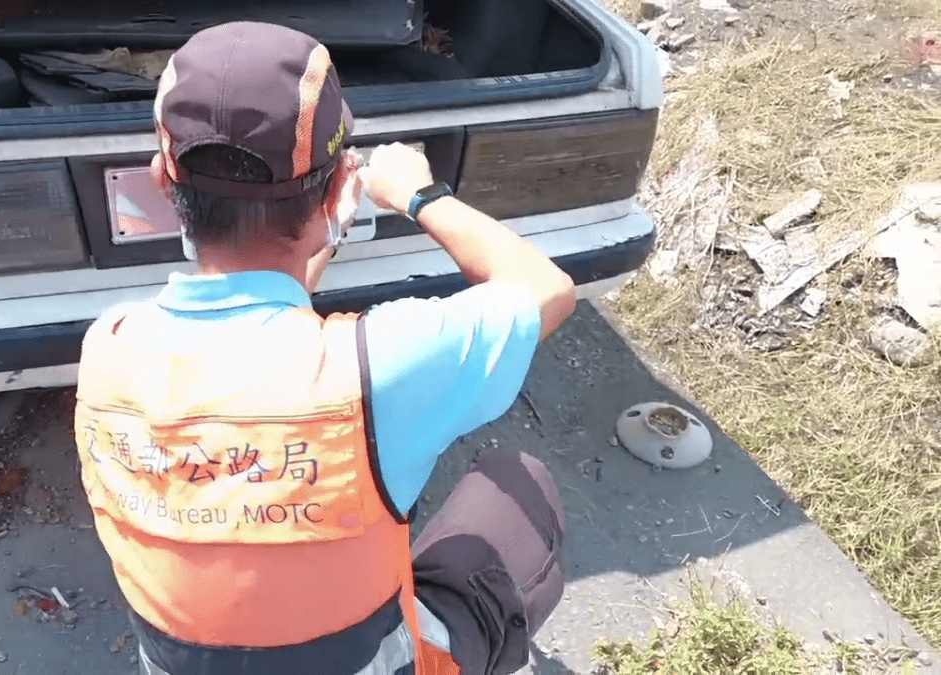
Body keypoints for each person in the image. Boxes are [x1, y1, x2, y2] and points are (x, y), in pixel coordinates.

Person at [74, 20, 577, 675]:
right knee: (520, 482)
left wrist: (300, 263)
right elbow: (548, 288)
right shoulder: (381, 366)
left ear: (164, 185)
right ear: (341, 188)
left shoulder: (108, 352)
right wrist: (421, 194)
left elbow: (252, 366)